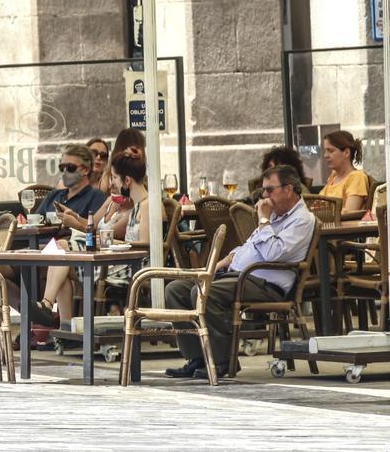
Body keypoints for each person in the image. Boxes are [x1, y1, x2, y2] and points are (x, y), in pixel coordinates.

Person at [164, 165, 314, 380]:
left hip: (266, 284)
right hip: (239, 275)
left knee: (206, 293)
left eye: (269, 190)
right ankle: (197, 357)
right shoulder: (276, 216)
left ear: (289, 189)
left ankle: (223, 360)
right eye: (264, 191)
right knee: (176, 290)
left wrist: (263, 220)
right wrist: (225, 260)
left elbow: (272, 253)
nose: (264, 196)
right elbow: (250, 247)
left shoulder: (301, 220)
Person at [32, 154, 154, 329]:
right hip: (118, 261)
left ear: (127, 180)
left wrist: (109, 244)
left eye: (116, 179)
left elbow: (145, 246)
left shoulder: (146, 205)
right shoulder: (137, 205)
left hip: (128, 268)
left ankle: (47, 306)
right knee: (61, 258)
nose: (113, 184)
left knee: (61, 250)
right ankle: (64, 324)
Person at [38, 144, 107, 227]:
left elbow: (96, 228)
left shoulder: (96, 196)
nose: (65, 171)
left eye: (70, 167)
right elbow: (34, 222)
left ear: (86, 170)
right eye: (62, 167)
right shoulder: (53, 195)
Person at [320, 130, 369, 213]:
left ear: (346, 153)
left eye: (331, 151)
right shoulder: (333, 177)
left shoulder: (357, 178)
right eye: (325, 151)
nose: (325, 155)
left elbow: (349, 212)